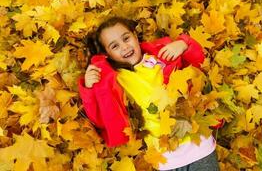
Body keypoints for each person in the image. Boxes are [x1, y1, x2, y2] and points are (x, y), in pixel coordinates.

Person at [78, 17, 220, 170]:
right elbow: (101, 117)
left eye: (126, 38)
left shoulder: (159, 55)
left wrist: (184, 44)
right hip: (165, 157)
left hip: (197, 144)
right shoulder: (116, 79)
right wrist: (89, 89)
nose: (124, 47)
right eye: (115, 46)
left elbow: (198, 66)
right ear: (107, 54)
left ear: (134, 35)